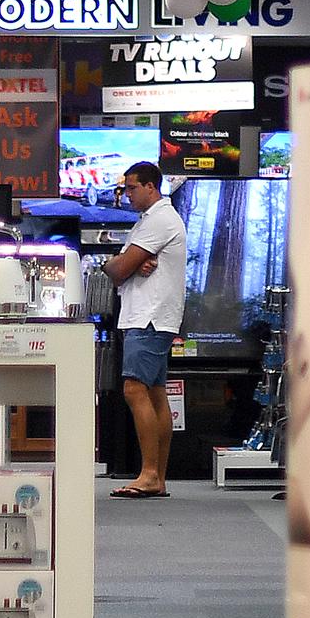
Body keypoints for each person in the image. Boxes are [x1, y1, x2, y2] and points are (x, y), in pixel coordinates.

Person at [102, 162, 187, 499]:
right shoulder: (148, 221)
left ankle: (149, 473)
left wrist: (120, 264)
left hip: (148, 317)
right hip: (150, 316)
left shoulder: (160, 220)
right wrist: (126, 264)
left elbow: (118, 269)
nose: (127, 195)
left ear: (151, 186)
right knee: (154, 393)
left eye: (132, 188)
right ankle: (157, 477)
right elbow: (123, 265)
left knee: (134, 389)